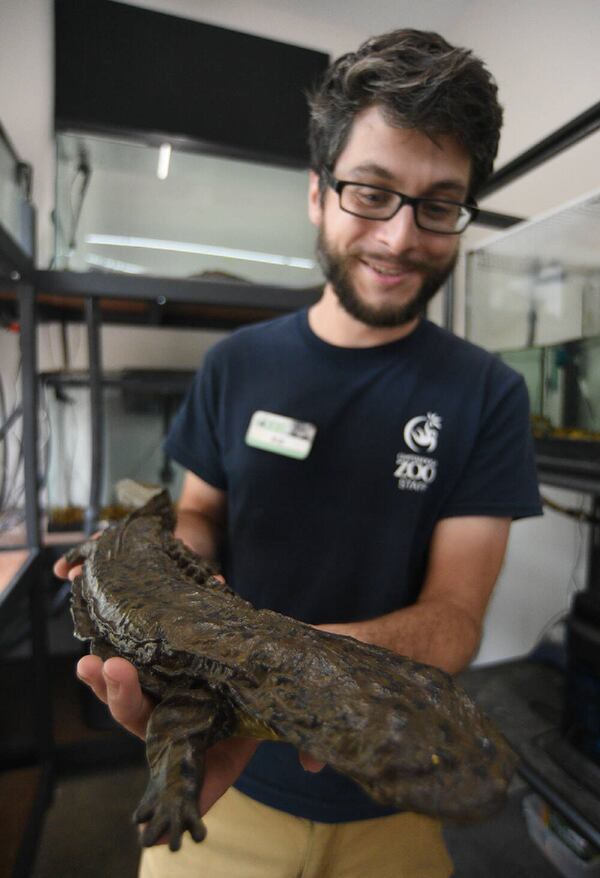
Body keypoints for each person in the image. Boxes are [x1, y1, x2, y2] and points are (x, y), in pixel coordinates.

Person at [55, 27, 542, 878]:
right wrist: (166, 572)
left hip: (390, 803)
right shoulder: (235, 365)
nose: (398, 238)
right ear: (317, 193)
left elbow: (457, 616)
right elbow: (199, 515)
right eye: (371, 192)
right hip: (223, 802)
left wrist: (300, 686)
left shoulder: (488, 394)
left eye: (438, 204)